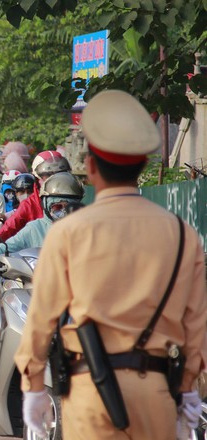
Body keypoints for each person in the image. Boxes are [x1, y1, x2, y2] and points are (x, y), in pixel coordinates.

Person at [14, 90, 207, 439]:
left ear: (89, 168)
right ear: (143, 166)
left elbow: (41, 320)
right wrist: (190, 386)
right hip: (159, 393)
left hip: (90, 392)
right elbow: (195, 324)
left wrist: (33, 385)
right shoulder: (183, 235)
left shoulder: (67, 233)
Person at [0, 172, 84, 271]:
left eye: (69, 207)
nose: (63, 212)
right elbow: (5, 247)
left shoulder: (86, 228)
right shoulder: (35, 228)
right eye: (57, 207)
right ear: (46, 205)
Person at [0, 150, 70, 252]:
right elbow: (7, 230)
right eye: (48, 175)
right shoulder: (29, 205)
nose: (55, 180)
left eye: (59, 175)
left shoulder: (73, 199)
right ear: (37, 178)